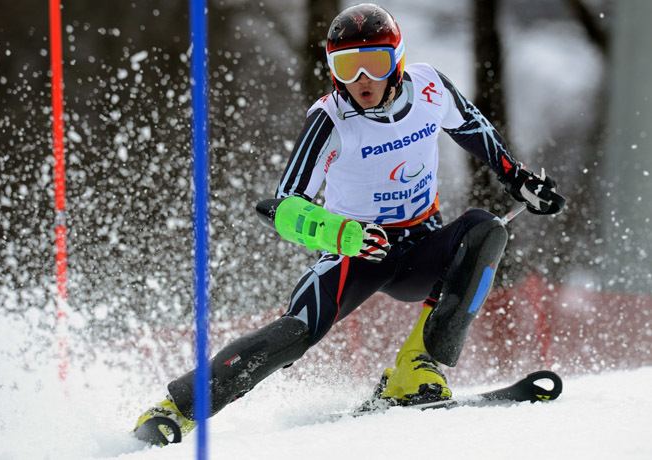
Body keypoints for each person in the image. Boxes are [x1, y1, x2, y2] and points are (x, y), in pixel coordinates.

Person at [132, 3, 565, 444]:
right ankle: (175, 410)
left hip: (422, 248)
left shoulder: (431, 87)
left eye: (375, 64)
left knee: (486, 229)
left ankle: (415, 370)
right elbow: (281, 207)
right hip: (356, 253)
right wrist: (343, 235)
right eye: (347, 66)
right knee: (294, 333)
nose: (362, 80)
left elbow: (472, 127)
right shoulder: (329, 118)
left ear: (396, 61)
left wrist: (518, 178)